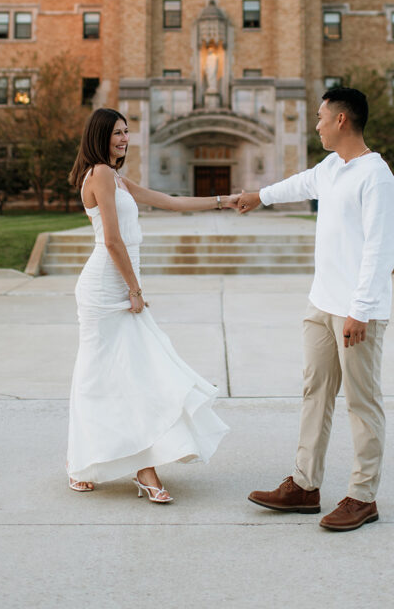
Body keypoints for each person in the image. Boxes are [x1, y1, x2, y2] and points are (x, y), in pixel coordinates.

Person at [237, 86, 394, 531]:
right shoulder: (332, 167)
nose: (316, 124)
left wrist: (361, 310)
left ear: (342, 121)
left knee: (362, 402)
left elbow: (380, 251)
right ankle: (306, 486)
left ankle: (362, 496)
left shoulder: (377, 178)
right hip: (321, 304)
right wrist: (260, 195)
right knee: (315, 393)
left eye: (320, 118)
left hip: (355, 312)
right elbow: (299, 183)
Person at [66, 107, 231, 502]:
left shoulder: (116, 178)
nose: (124, 139)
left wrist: (225, 200)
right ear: (100, 135)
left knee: (136, 374)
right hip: (107, 288)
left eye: (127, 132)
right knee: (101, 375)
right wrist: (134, 289)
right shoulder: (101, 175)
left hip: (120, 284)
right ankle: (88, 463)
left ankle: (140, 467)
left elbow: (168, 201)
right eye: (117, 133)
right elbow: (110, 240)